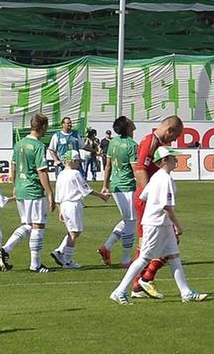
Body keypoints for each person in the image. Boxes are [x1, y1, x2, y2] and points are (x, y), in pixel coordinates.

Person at [109, 147, 208, 305]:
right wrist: (178, 226)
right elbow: (166, 206)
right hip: (156, 224)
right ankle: (119, 291)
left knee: (174, 256)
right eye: (172, 158)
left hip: (160, 223)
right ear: (164, 161)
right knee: (144, 258)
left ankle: (186, 292)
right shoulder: (164, 179)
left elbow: (143, 195)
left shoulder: (156, 177)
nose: (176, 160)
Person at [130, 115, 185, 298]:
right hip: (148, 201)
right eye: (175, 136)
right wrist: (149, 197)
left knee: (169, 243)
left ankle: (143, 281)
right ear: (169, 129)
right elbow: (140, 169)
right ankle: (139, 282)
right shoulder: (150, 141)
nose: (175, 141)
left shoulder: (157, 142)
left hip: (151, 200)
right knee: (146, 244)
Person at [1, 113, 56, 274]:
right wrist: (50, 193)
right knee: (38, 225)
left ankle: (6, 249)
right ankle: (36, 264)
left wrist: (14, 184)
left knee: (27, 223)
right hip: (33, 189)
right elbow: (42, 172)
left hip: (20, 188)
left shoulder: (19, 144)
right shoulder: (39, 146)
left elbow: (13, 167)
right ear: (43, 127)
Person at [52, 149, 110, 268]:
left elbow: (58, 196)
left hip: (64, 204)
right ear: (72, 161)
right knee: (75, 232)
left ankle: (60, 251)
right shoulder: (75, 173)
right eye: (78, 161)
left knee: (72, 231)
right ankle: (67, 260)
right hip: (73, 204)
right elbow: (86, 189)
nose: (79, 163)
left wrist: (60, 210)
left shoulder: (61, 174)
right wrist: (101, 196)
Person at [97, 117, 139, 267]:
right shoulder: (132, 145)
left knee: (127, 219)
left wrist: (105, 185)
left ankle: (107, 247)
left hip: (115, 186)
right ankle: (126, 259)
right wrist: (143, 187)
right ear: (128, 127)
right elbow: (136, 170)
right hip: (127, 186)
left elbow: (107, 166)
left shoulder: (113, 142)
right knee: (131, 222)